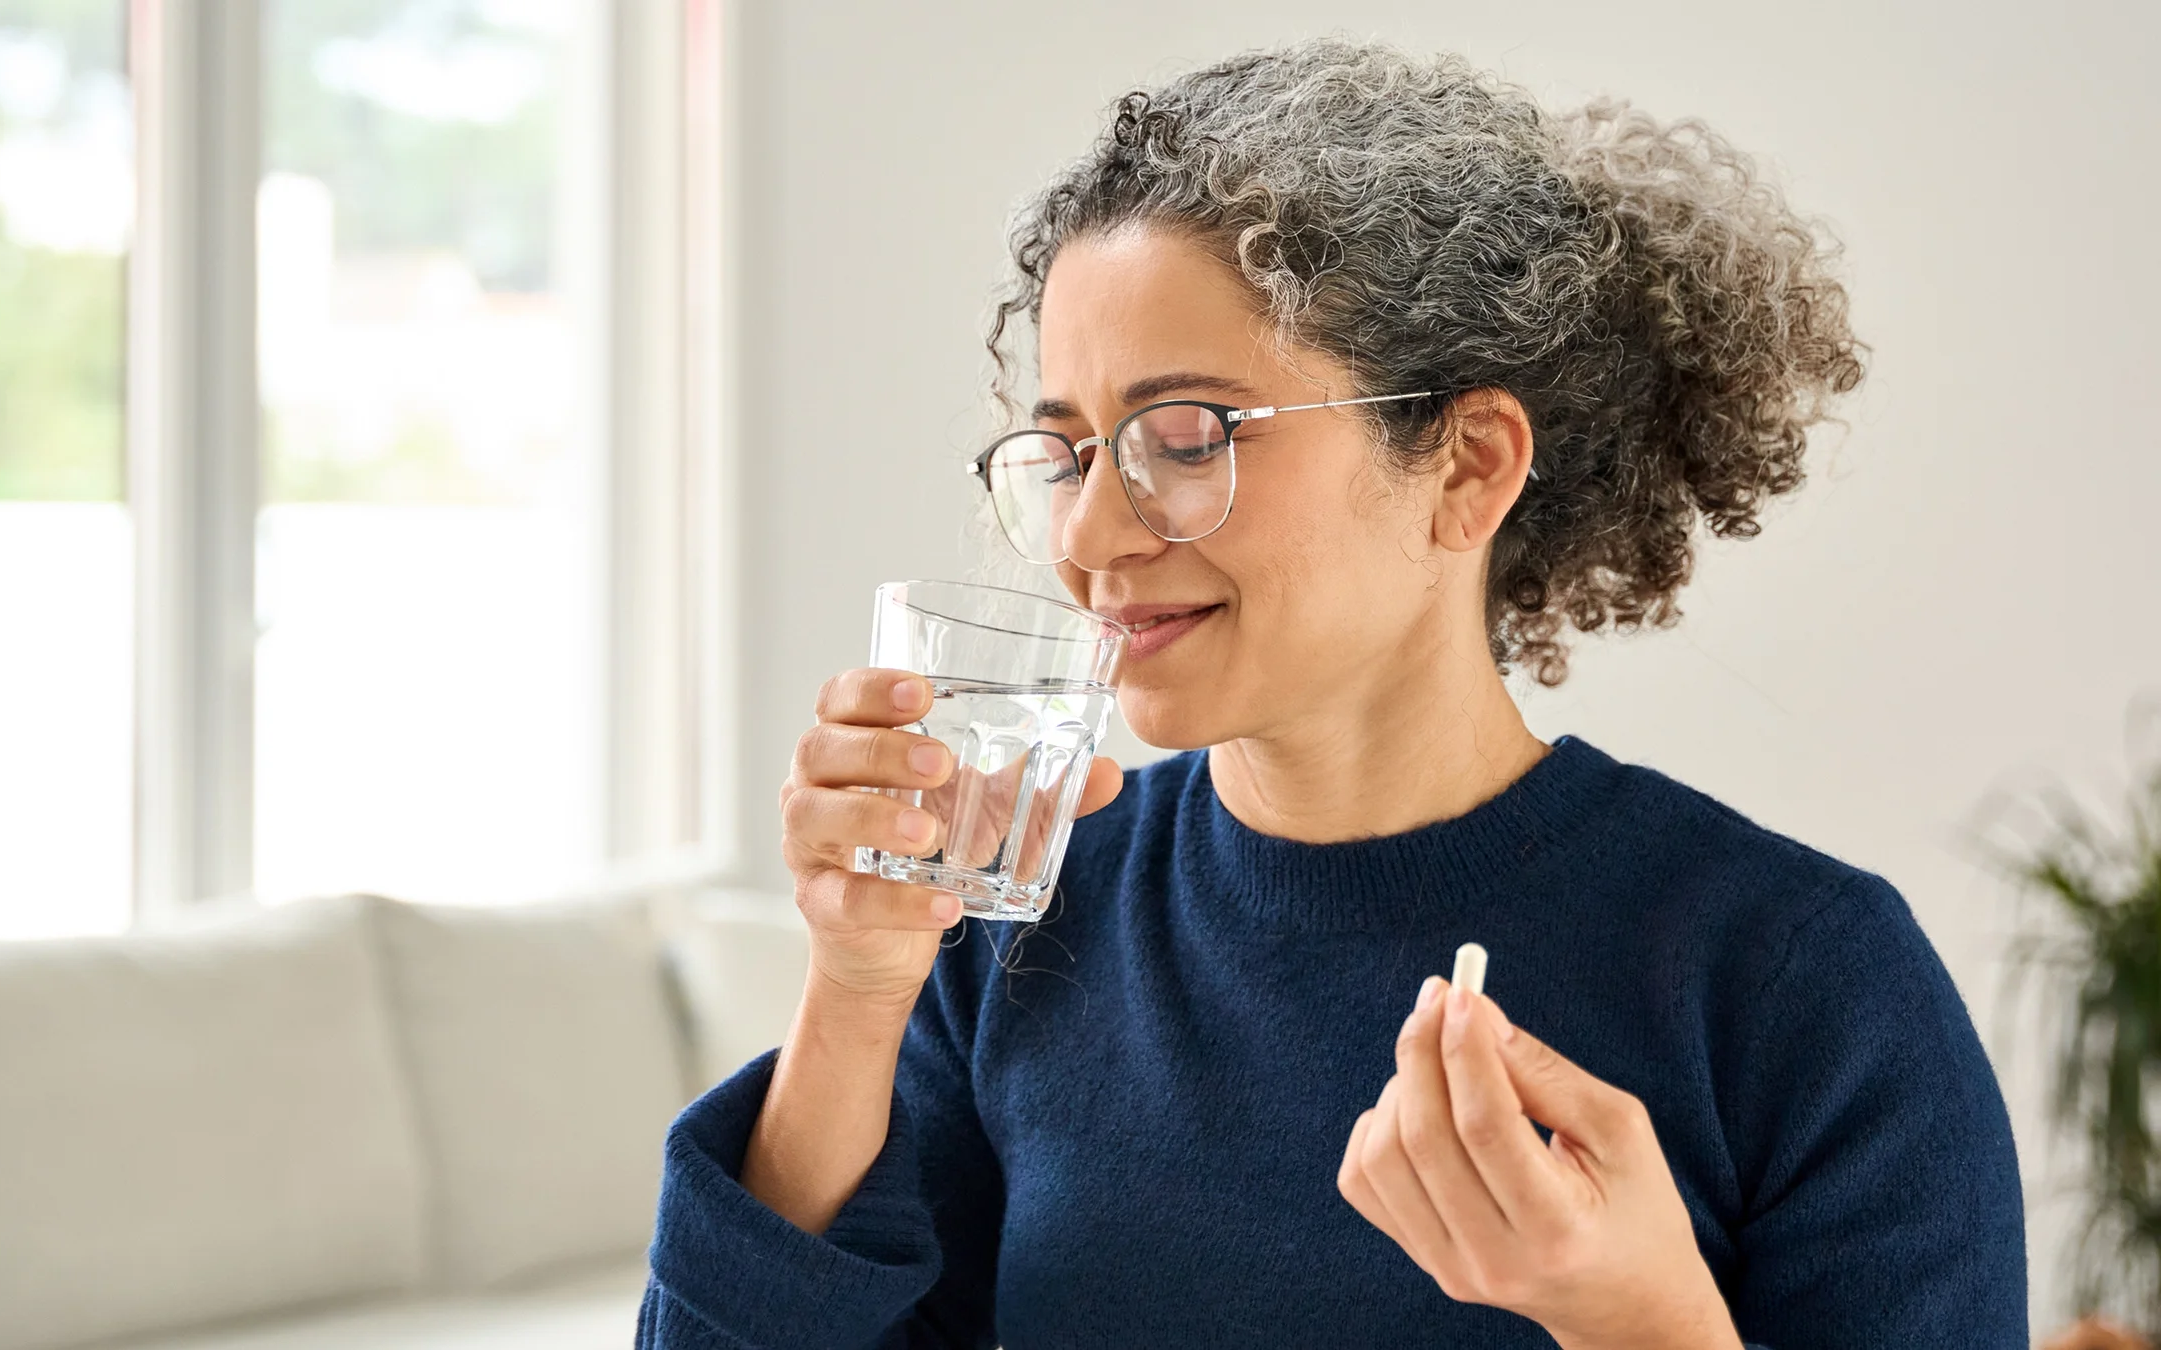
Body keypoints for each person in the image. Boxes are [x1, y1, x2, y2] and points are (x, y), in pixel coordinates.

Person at [637, 35, 2027, 1350]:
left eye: (1187, 436)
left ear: (1471, 464)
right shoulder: (1023, 918)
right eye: (1065, 451)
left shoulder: (1803, 979)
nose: (1089, 534)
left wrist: (1637, 1316)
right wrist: (859, 983)